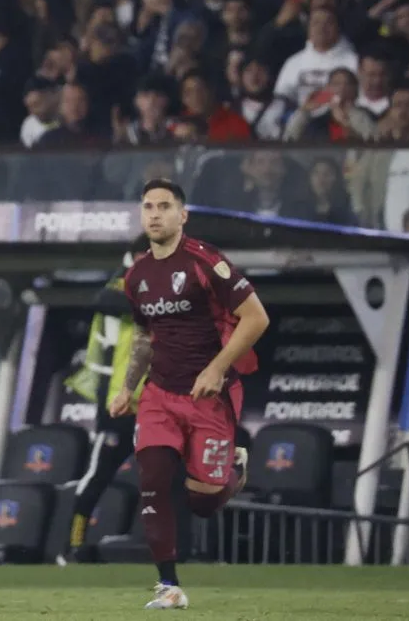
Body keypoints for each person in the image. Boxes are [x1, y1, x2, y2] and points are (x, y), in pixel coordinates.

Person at [109, 178, 269, 609]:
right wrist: (128, 388)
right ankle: (169, 586)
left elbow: (256, 318)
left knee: (203, 501)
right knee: (153, 480)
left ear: (183, 215)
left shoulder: (206, 262)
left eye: (164, 206)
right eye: (148, 206)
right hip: (160, 393)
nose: (155, 214)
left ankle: (232, 469)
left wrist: (217, 368)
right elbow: (145, 338)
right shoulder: (137, 275)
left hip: (209, 396)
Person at [57, 234, 149, 566]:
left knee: (166, 481)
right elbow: (104, 300)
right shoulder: (118, 290)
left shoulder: (173, 292)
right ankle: (73, 546)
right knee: (97, 477)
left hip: (157, 409)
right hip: (117, 407)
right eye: (143, 255)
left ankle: (174, 549)